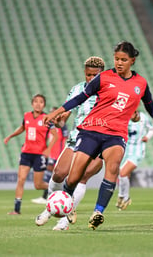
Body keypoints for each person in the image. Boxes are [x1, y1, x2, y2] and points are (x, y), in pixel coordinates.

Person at [42, 41, 153, 230]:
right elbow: (79, 98)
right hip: (91, 131)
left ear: (132, 60)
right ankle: (64, 208)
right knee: (73, 177)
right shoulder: (104, 77)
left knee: (113, 168)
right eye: (116, 59)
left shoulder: (140, 83)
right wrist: (54, 113)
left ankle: (98, 212)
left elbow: (150, 105)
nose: (119, 62)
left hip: (116, 135)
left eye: (123, 59)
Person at [35, 56, 105, 231]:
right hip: (76, 139)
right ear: (84, 73)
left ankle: (64, 220)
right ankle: (50, 209)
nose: (91, 79)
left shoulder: (109, 92)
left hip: (99, 143)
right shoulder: (77, 90)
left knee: (80, 177)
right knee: (58, 175)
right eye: (88, 75)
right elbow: (65, 116)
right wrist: (58, 121)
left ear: (102, 74)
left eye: (95, 75)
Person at [4, 94, 58, 215]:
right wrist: (11, 136)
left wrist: (48, 149)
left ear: (44, 105)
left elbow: (55, 135)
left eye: (41, 102)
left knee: (38, 185)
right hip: (26, 153)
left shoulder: (46, 118)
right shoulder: (27, 116)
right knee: (21, 179)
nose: (38, 104)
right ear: (32, 103)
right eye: (36, 101)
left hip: (39, 155)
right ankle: (17, 209)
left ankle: (57, 189)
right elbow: (23, 128)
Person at [116, 109, 153, 211]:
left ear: (136, 112)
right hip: (126, 150)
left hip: (138, 150)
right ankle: (124, 197)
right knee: (123, 174)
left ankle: (123, 196)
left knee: (123, 173)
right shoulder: (124, 118)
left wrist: (147, 137)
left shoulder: (143, 118)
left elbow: (152, 128)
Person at [31, 107, 69, 205]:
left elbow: (66, 138)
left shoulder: (62, 125)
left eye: (54, 112)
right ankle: (50, 196)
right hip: (51, 152)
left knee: (55, 174)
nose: (52, 114)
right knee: (51, 174)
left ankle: (55, 195)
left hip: (58, 153)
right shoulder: (49, 125)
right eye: (51, 112)